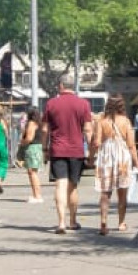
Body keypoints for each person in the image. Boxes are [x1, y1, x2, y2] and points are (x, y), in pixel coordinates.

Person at [42, 77, 93, 233]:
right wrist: (91, 150)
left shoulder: (51, 104)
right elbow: (88, 130)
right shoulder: (83, 104)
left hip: (57, 150)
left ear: (61, 86)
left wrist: (45, 149)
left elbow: (45, 130)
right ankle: (72, 221)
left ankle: (61, 223)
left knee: (60, 185)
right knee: (73, 187)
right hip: (76, 151)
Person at [89, 94, 138, 236]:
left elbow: (97, 143)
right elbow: (131, 146)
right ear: (121, 106)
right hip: (122, 158)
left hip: (106, 158)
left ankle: (103, 223)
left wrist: (91, 156)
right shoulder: (126, 121)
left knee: (105, 193)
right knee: (122, 192)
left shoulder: (101, 121)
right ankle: (121, 222)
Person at [18, 107, 46, 203]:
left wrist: (22, 142)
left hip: (32, 148)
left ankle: (37, 195)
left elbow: (29, 138)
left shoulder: (31, 123)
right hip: (37, 147)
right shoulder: (39, 123)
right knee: (34, 172)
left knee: (32, 172)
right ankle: (37, 195)